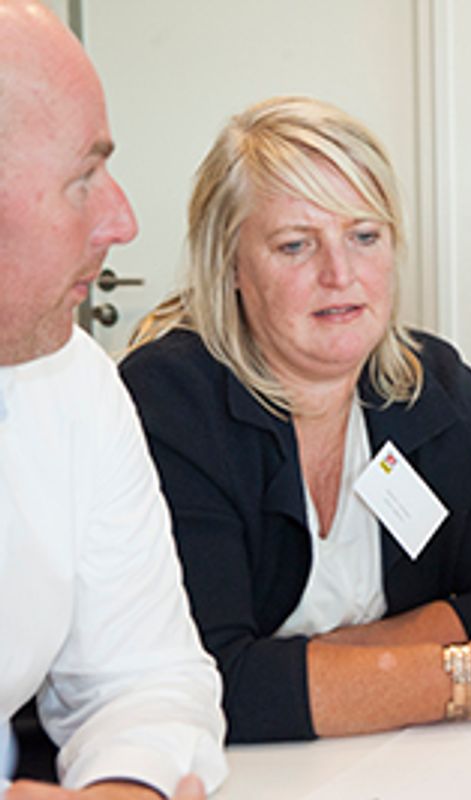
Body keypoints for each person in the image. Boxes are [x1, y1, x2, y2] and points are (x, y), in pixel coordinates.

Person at [119, 96, 471, 743]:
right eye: (296, 245)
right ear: (229, 265)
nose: (340, 273)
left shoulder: (433, 385)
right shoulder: (172, 399)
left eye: (364, 236)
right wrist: (468, 675)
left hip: (403, 761)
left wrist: (321, 665)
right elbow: (204, 681)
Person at [0, 1, 226, 797]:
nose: (122, 221)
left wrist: (125, 787)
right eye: (82, 179)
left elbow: (145, 676)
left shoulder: (72, 382)